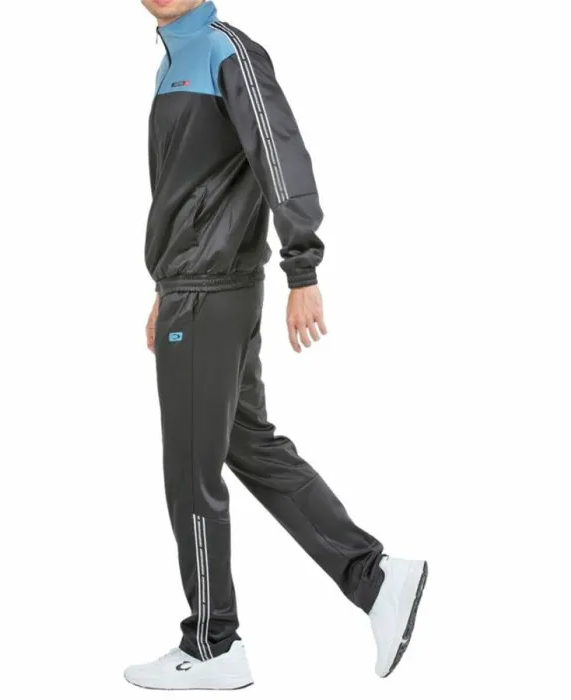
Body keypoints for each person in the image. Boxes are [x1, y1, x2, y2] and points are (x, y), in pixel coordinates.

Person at [125, 0, 427, 690]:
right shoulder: (173, 61)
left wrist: (303, 269)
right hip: (193, 288)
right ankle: (377, 578)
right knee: (249, 446)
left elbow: (278, 152)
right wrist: (167, 283)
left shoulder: (226, 50)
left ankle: (212, 646)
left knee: (191, 475)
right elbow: (192, 190)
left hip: (210, 295)